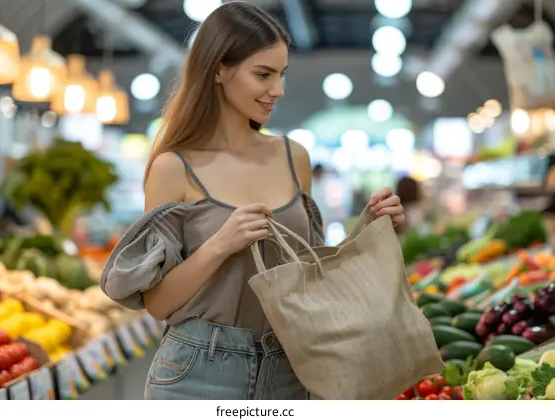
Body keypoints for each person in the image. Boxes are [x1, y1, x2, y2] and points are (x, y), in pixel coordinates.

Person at [100, 1, 405, 400]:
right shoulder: (173, 168)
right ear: (218, 70)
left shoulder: (293, 156)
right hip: (198, 373)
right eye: (263, 74)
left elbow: (306, 278)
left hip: (291, 368)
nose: (276, 90)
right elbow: (158, 303)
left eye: (281, 75)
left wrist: (365, 230)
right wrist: (220, 245)